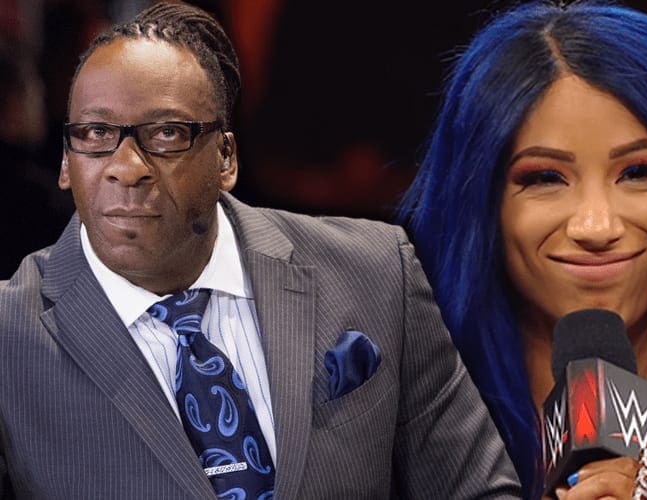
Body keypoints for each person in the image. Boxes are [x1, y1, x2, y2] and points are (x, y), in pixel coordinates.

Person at [0, 3, 521, 498]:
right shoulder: (9, 337)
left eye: (167, 133)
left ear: (225, 158)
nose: (126, 167)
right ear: (66, 162)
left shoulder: (378, 271)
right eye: (95, 133)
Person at [398, 1, 647, 498]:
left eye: (637, 172)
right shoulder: (394, 441)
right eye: (545, 178)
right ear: (479, 204)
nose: (596, 226)